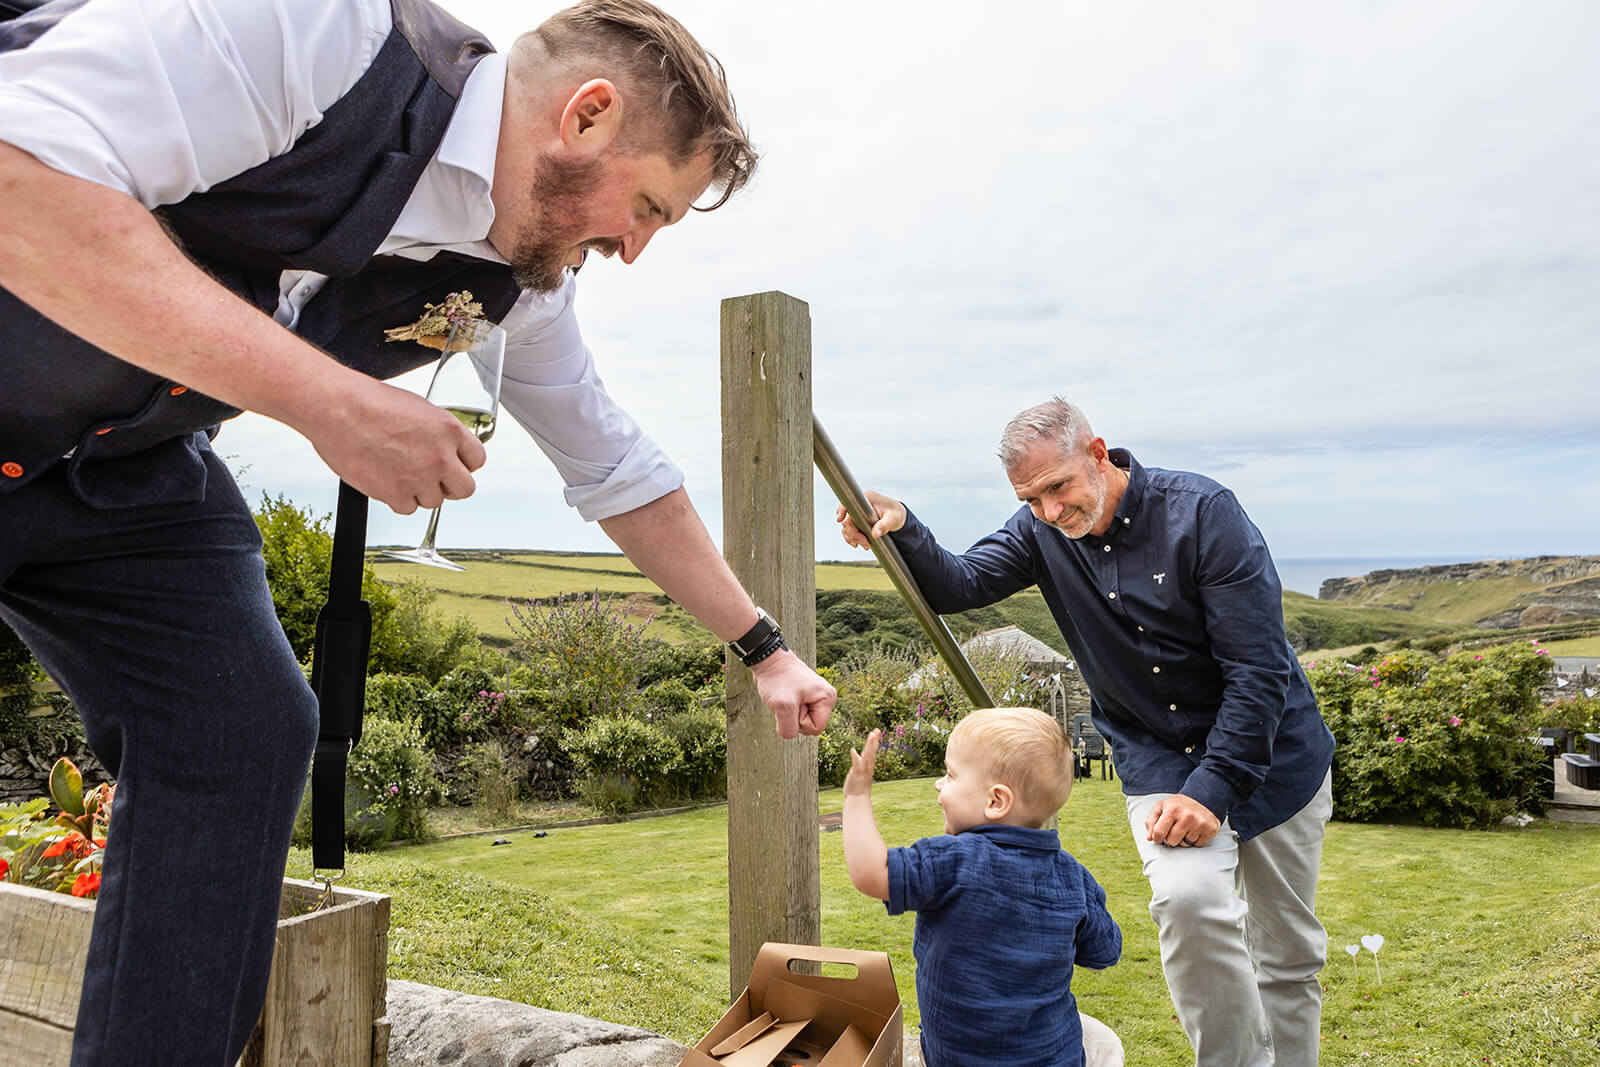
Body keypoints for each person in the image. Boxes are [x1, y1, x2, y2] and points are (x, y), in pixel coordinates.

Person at [0, 0, 834, 1062]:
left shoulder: (515, 290)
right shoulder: (318, 31)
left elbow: (621, 473)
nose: (631, 250)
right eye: (648, 208)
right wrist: (331, 403)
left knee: (241, 727)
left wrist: (764, 649)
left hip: (125, 468)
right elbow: (21, 173)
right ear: (586, 116)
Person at [837, 398, 1336, 1067]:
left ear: (1099, 454)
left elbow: (1257, 670)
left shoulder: (1204, 513)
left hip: (1274, 755)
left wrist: (1213, 788)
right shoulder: (1038, 531)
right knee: (1188, 901)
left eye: (1058, 487)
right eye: (1030, 499)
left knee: (1287, 955)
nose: (1048, 511)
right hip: (1159, 760)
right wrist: (901, 525)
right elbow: (962, 582)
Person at [843, 707, 1123, 1067]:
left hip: (957, 1058)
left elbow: (872, 872)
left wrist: (856, 797)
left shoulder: (952, 861)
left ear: (995, 801)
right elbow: (1102, 957)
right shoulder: (1074, 878)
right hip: (1054, 1057)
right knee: (1103, 1041)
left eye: (950, 775)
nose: (939, 784)